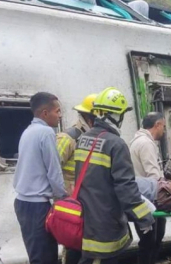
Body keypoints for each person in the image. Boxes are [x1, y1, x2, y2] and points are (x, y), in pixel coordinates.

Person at [74, 87, 154, 264]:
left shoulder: (83, 139)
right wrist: (144, 218)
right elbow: (126, 188)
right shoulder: (116, 144)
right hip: (105, 224)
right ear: (116, 116)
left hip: (86, 218)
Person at [13, 92, 67, 264]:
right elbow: (54, 171)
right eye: (57, 111)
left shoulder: (28, 132)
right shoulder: (46, 133)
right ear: (45, 113)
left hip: (23, 203)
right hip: (37, 206)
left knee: (36, 255)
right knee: (45, 257)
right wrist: (64, 198)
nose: (60, 116)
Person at [56, 93, 97, 264]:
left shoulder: (95, 138)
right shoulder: (68, 138)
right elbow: (51, 169)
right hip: (72, 205)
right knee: (74, 247)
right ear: (89, 117)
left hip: (89, 204)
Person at [129, 112, 166, 264]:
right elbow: (153, 175)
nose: (164, 130)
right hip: (150, 199)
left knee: (150, 239)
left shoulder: (138, 140)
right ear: (157, 125)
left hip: (141, 197)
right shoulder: (146, 143)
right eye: (163, 126)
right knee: (151, 240)